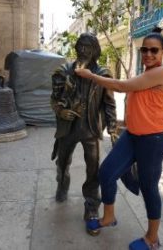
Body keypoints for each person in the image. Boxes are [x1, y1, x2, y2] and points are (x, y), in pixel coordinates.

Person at [75, 27, 163, 250]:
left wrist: (91, 76)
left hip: (154, 140)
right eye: (144, 49)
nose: (148, 54)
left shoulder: (162, 73)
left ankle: (152, 238)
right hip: (132, 136)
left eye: (154, 50)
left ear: (162, 52)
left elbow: (121, 86)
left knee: (149, 188)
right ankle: (109, 217)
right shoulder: (145, 73)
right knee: (107, 173)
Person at [50, 33, 118, 232]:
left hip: (90, 130)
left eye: (88, 47)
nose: (83, 50)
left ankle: (91, 206)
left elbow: (109, 105)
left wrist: (113, 128)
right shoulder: (63, 72)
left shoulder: (103, 74)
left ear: (95, 50)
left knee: (93, 169)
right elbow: (53, 99)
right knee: (62, 163)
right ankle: (62, 185)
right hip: (67, 128)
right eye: (80, 46)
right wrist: (61, 110)